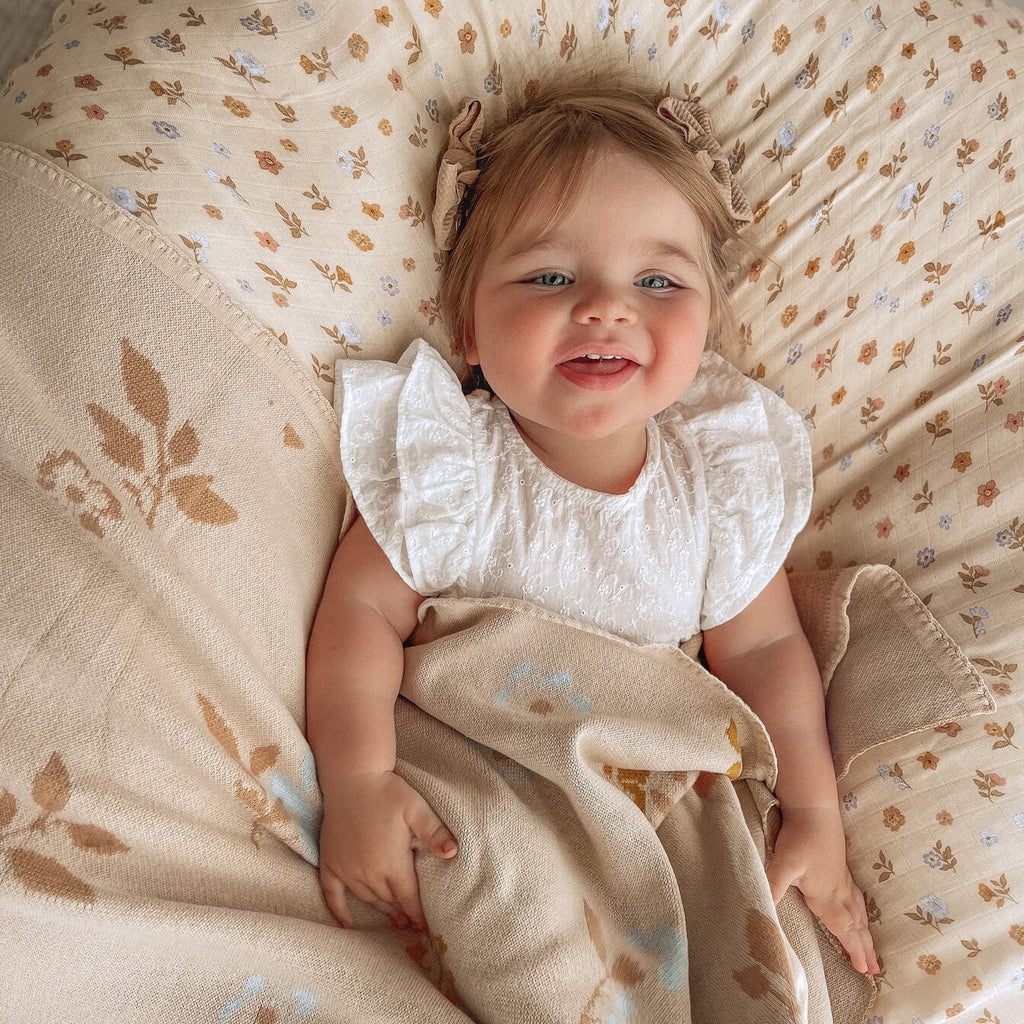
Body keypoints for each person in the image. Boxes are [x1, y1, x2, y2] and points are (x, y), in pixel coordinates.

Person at [305, 86, 880, 977]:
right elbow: (360, 617)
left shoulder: (715, 486)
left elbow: (766, 651)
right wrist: (358, 782)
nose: (607, 307)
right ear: (469, 327)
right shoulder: (455, 472)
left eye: (657, 281)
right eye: (550, 277)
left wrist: (812, 813)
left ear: (707, 320)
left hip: (649, 817)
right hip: (487, 793)